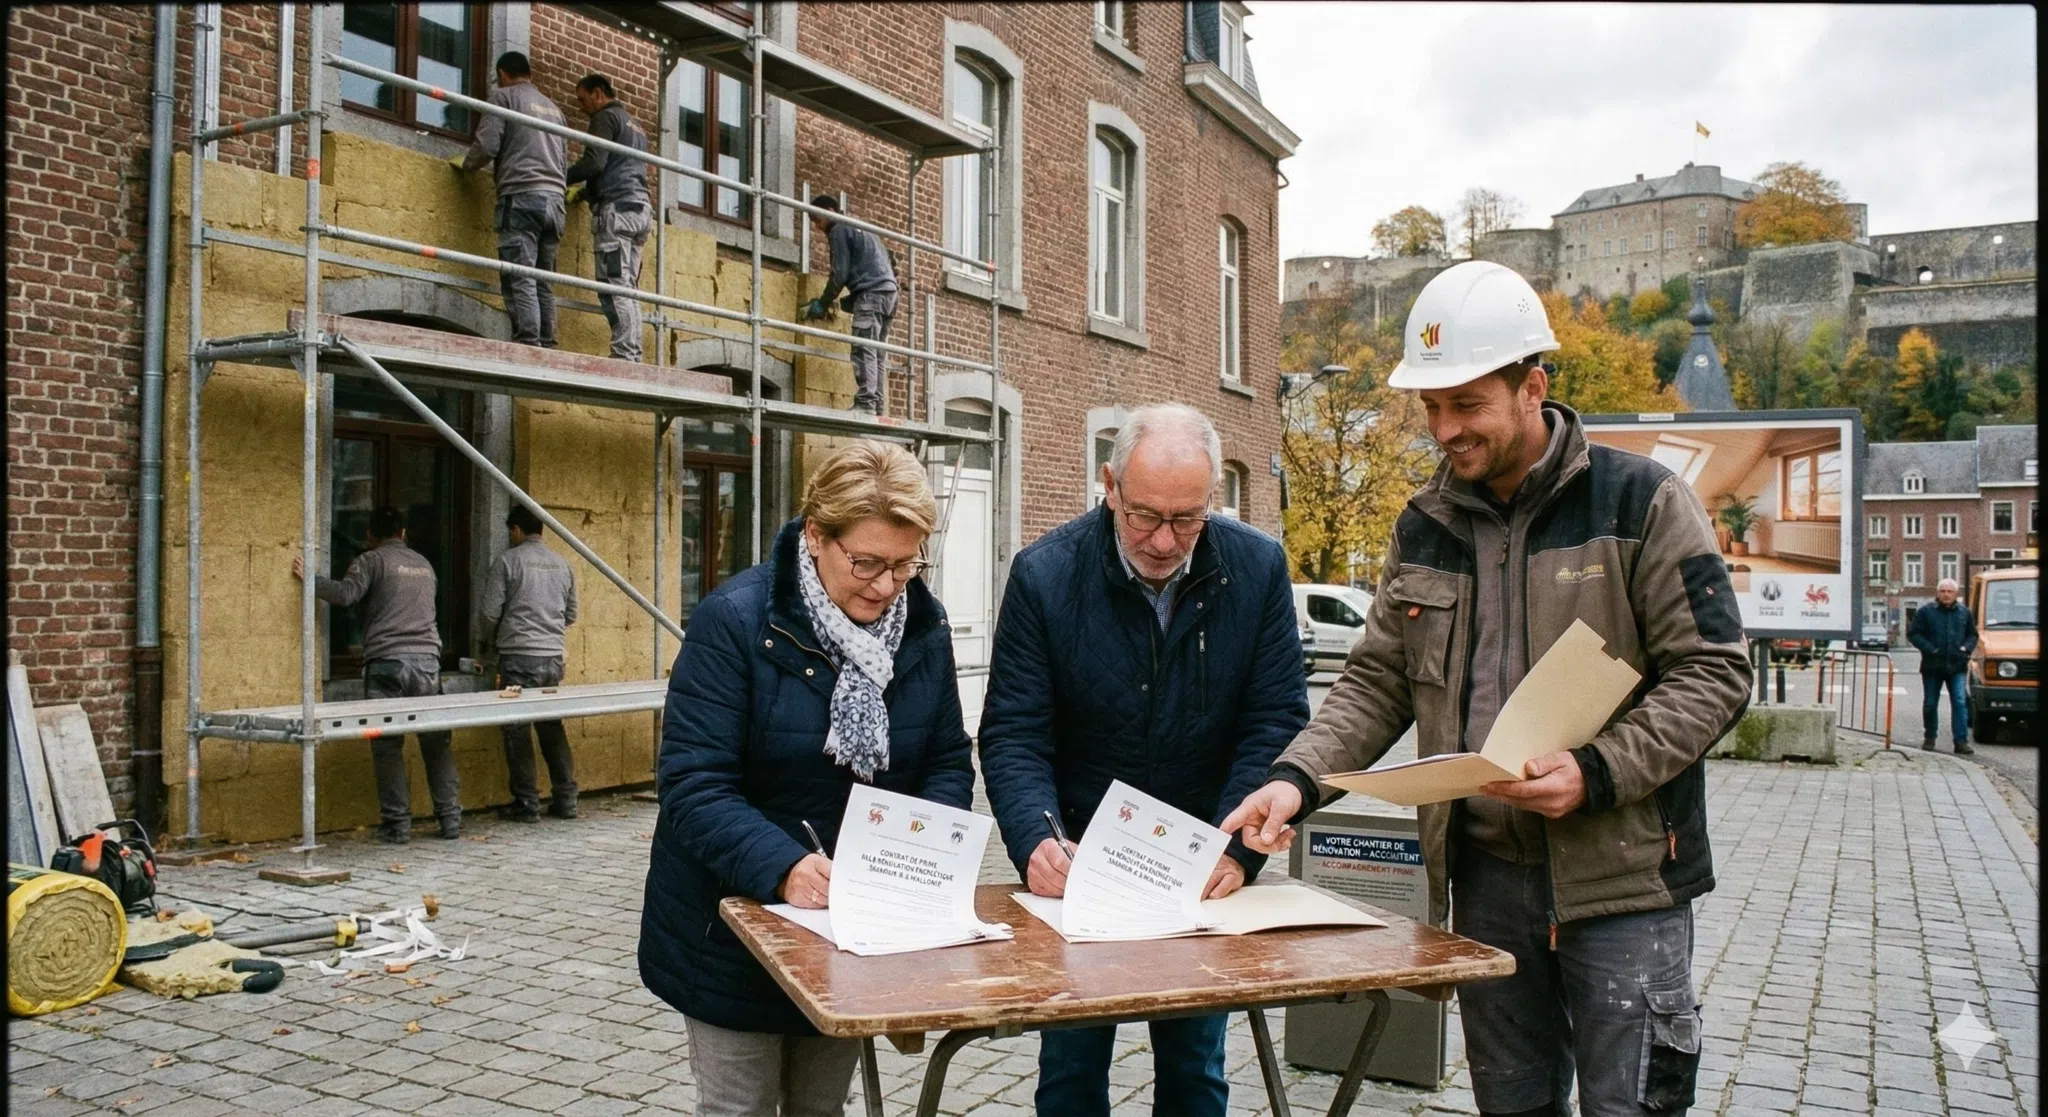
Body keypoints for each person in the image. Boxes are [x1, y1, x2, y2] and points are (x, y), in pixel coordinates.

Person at [1223, 261, 1754, 1117]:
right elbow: (1375, 682)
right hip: (1488, 883)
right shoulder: (1424, 524)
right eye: (1431, 407)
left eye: (1465, 404)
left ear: (1531, 386)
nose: (1444, 430)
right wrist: (1293, 781)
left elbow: (1718, 671)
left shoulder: (1644, 501)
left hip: (1621, 884)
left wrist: (1598, 769)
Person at [978, 403, 1309, 1117]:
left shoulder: (1255, 569)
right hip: (1079, 865)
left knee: (1195, 1070)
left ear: (1213, 498)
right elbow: (1013, 733)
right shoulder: (1044, 575)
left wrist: (1235, 850)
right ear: (1109, 485)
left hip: (1201, 864)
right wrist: (1036, 838)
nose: (1163, 540)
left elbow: (1275, 719)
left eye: (1187, 519)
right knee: (1070, 1068)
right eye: (1144, 516)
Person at [639, 441, 973, 1117]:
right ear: (817, 535)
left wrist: (919, 851)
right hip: (730, 931)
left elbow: (944, 758)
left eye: (905, 564)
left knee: (821, 1107)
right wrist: (785, 865)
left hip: (850, 925)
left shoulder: (922, 630)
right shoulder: (735, 622)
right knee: (743, 1107)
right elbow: (694, 785)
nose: (886, 587)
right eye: (868, 563)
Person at [292, 505, 460, 843]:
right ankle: (450, 820)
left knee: (386, 745)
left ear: (370, 536)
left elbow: (346, 594)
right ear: (403, 534)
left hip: (387, 665)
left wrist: (309, 579)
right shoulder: (424, 565)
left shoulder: (370, 560)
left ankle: (398, 827)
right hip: (428, 663)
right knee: (436, 743)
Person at [460, 51, 568, 348]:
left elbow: (487, 144)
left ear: (503, 74)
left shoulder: (504, 97)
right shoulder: (554, 109)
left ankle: (528, 341)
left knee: (519, 273)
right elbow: (563, 160)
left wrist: (467, 166)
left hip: (521, 196)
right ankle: (546, 339)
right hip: (555, 201)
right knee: (543, 278)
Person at [480, 504, 581, 821]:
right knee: (551, 727)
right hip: (552, 658)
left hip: (518, 658)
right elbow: (572, 614)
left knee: (517, 729)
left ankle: (526, 804)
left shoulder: (508, 561)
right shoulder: (563, 564)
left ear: (517, 530)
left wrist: (489, 641)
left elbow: (489, 613)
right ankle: (566, 799)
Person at [565, 73, 653, 362]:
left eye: (583, 99)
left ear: (599, 93)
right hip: (639, 211)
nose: (581, 107)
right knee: (627, 286)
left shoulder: (604, 118)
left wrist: (559, 176)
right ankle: (633, 352)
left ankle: (625, 354)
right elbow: (618, 166)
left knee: (612, 284)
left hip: (616, 211)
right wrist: (586, 194)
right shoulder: (636, 126)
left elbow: (595, 162)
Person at [802, 195, 898, 415]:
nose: (817, 227)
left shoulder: (839, 229)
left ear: (830, 211)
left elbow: (839, 273)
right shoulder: (860, 226)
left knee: (863, 348)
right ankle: (877, 405)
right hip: (889, 294)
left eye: (817, 220)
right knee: (877, 352)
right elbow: (889, 261)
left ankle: (865, 404)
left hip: (871, 294)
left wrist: (823, 303)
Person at [1909, 577, 1976, 755]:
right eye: (1943, 591)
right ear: (1937, 593)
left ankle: (1961, 741)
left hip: (1957, 665)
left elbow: (1972, 635)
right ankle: (1930, 737)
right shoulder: (1926, 612)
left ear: (1956, 594)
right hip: (1933, 666)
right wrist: (1930, 649)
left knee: (1960, 702)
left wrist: (1965, 648)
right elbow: (1914, 634)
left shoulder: (1964, 613)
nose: (1946, 595)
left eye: (1950, 591)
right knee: (1931, 703)